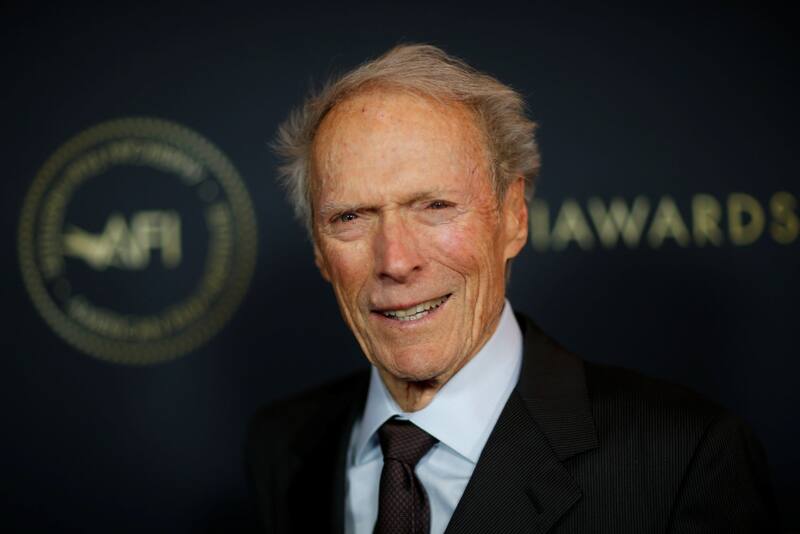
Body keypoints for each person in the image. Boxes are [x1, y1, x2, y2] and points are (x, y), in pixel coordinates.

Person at [246, 44, 777, 533]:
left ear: (514, 217)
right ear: (320, 250)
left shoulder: (683, 459)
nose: (397, 261)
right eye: (350, 217)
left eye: (435, 207)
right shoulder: (282, 446)